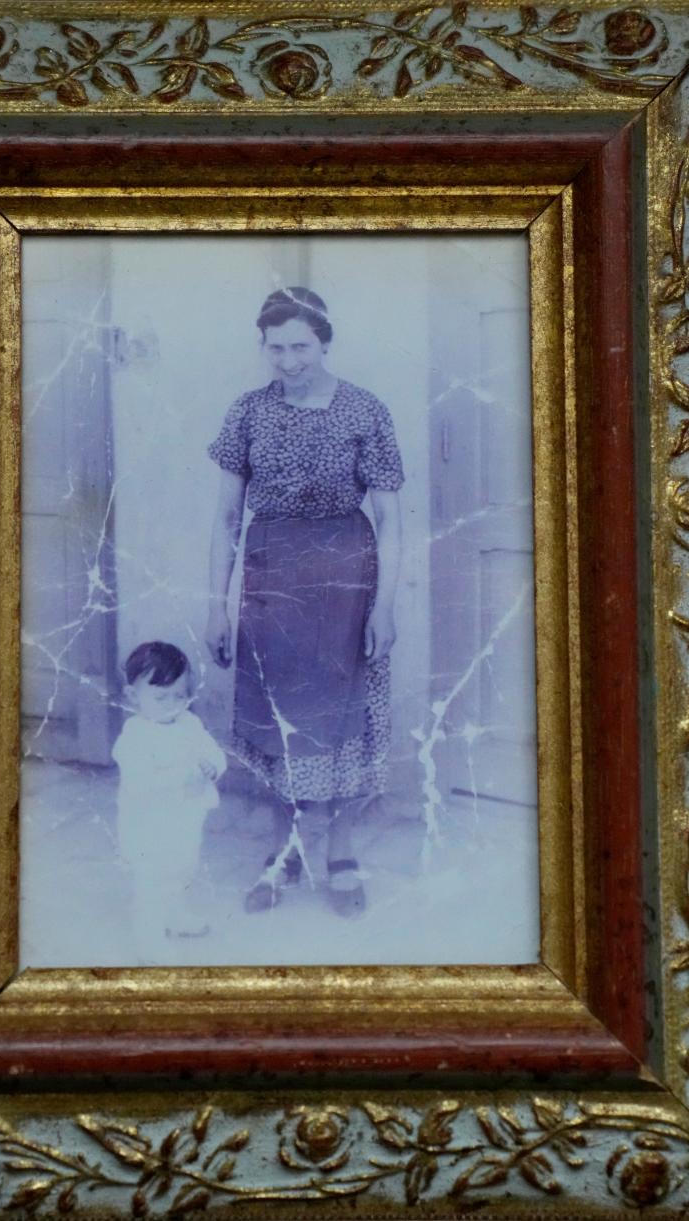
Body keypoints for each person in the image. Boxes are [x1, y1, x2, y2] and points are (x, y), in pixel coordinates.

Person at [206, 287, 403, 917]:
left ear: (324, 342)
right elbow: (226, 518)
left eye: (300, 346)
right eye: (276, 348)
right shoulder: (246, 414)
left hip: (348, 576)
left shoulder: (365, 411)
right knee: (277, 721)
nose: (288, 360)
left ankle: (341, 852)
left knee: (344, 720)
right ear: (261, 346)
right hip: (271, 577)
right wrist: (217, 604)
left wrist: (385, 608)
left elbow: (391, 521)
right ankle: (284, 849)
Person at [112, 641, 226, 939]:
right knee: (151, 881)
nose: (173, 705)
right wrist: (181, 776)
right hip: (148, 826)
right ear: (133, 696)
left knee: (182, 871)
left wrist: (214, 765)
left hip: (186, 819)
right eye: (162, 697)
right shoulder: (135, 736)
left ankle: (176, 915)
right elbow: (140, 783)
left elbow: (212, 751)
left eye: (180, 696)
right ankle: (148, 936)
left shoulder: (190, 723)